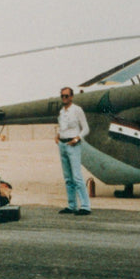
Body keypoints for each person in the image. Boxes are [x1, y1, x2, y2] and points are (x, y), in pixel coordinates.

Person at [55, 87, 92, 216]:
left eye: (66, 96)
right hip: (63, 144)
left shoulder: (77, 110)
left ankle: (85, 206)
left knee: (77, 176)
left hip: (73, 144)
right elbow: (62, 127)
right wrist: (58, 135)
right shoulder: (62, 112)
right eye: (62, 96)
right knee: (67, 177)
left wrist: (78, 138)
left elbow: (86, 128)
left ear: (71, 97)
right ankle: (72, 205)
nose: (64, 98)